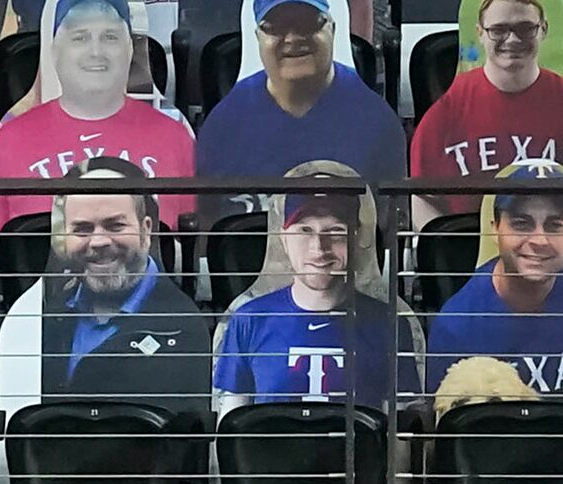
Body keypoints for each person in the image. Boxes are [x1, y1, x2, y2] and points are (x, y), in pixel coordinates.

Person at [213, 168, 417, 410]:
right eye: (305, 230)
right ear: (284, 238)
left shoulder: (390, 324)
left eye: (336, 232)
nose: (319, 248)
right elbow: (230, 427)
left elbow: (400, 437)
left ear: (357, 237)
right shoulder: (248, 319)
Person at [0, 0, 195, 231]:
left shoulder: (174, 135)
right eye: (80, 37)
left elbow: (188, 252)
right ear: (54, 50)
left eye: (110, 37)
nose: (96, 52)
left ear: (130, 49)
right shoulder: (10, 139)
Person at [193, 0, 406, 221]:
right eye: (275, 28)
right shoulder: (222, 127)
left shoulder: (378, 123)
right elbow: (210, 236)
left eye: (308, 24)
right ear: (258, 37)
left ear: (331, 29)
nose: (292, 38)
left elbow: (389, 231)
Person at [25, 158, 213, 407]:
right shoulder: (39, 320)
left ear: (146, 231)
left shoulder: (183, 330)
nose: (98, 241)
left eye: (115, 226)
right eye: (82, 229)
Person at [412, 0, 563, 218]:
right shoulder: (445, 114)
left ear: (543, 29)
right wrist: (444, 247)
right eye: (498, 30)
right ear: (480, 33)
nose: (512, 39)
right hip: (466, 247)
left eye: (526, 28)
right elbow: (422, 197)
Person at [428, 159, 563, 392]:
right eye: (522, 224)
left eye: (555, 225)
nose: (540, 240)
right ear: (494, 229)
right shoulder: (456, 326)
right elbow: (448, 422)